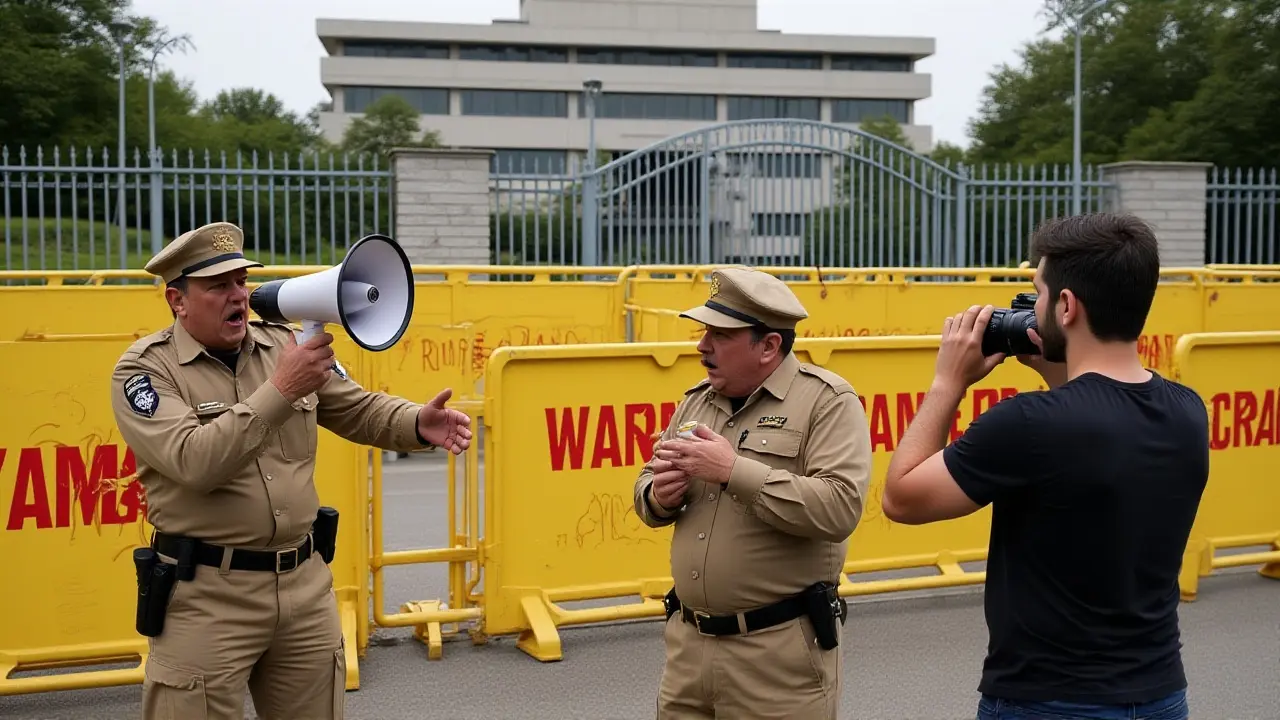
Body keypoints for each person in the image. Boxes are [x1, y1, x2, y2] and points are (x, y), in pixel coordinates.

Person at [110, 221, 473, 720]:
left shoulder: (280, 344)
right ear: (178, 300)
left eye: (241, 280)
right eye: (218, 286)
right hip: (207, 597)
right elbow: (194, 461)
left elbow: (358, 408)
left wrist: (416, 421)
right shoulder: (146, 371)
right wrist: (281, 389)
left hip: (303, 586)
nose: (239, 295)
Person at [881, 213, 1209, 720]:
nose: (1031, 308)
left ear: (1067, 305)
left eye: (1037, 292)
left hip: (1049, 701)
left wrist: (948, 382)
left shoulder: (1029, 425)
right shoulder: (1187, 410)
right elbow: (1095, 431)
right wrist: (1062, 371)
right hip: (1159, 694)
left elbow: (901, 498)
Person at [633, 266, 873, 720]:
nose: (702, 345)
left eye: (720, 335)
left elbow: (840, 507)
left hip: (776, 659)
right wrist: (659, 495)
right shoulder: (698, 400)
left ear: (769, 346)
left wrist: (732, 470)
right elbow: (647, 484)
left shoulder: (827, 403)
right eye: (704, 331)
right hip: (688, 650)